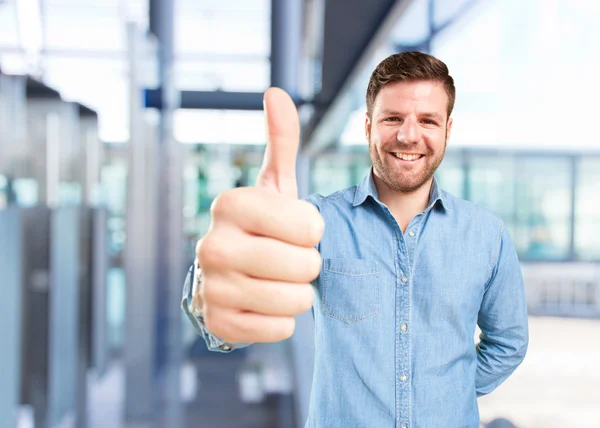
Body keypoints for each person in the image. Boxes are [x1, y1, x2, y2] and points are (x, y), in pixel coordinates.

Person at [182, 51, 529, 428]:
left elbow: (508, 343)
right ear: (367, 127)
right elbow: (231, 303)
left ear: (448, 130)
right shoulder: (316, 221)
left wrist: (446, 393)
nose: (409, 135)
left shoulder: (486, 235)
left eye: (427, 120)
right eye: (392, 118)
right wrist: (214, 290)